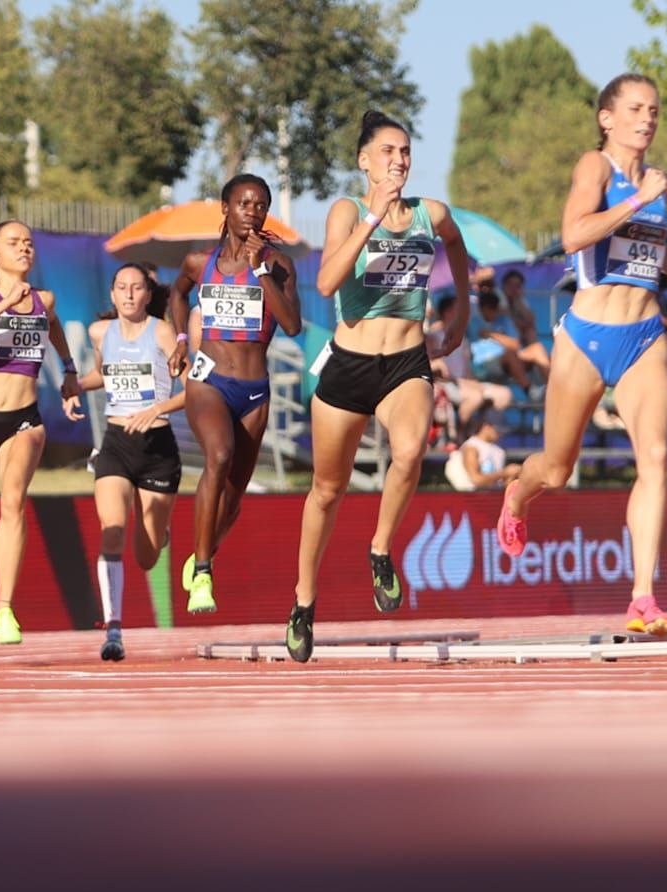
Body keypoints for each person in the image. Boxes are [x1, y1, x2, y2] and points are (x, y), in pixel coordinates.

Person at [497, 73, 667, 638]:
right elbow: (573, 235)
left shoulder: (657, 182)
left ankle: (643, 596)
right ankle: (519, 494)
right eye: (636, 109)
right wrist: (638, 199)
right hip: (588, 336)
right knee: (558, 470)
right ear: (607, 118)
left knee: (657, 460)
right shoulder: (596, 168)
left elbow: (652, 245)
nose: (648, 119)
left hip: (643, 336)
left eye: (655, 111)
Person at [287, 110, 472, 662]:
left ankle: (380, 549)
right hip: (349, 364)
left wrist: (461, 309)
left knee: (412, 451)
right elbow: (324, 282)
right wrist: (370, 218)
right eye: (388, 151)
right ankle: (303, 601)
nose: (399, 161)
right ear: (365, 161)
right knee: (327, 490)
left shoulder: (428, 214)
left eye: (406, 152)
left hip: (405, 362)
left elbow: (457, 246)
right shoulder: (346, 210)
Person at [168, 174, 302, 615]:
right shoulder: (196, 263)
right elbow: (177, 293)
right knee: (218, 457)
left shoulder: (278, 263)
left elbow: (293, 324)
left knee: (234, 500)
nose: (253, 211)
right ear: (225, 209)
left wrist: (260, 269)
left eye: (261, 205)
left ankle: (203, 551)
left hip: (254, 390)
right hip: (209, 382)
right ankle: (203, 572)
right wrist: (181, 341)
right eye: (244, 203)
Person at [0, 220, 82, 644]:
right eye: (13, 242)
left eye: (28, 243)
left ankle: (5, 609)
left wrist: (70, 370)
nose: (24, 248)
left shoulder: (44, 299)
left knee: (12, 503)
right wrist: (3, 304)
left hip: (22, 421)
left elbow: (54, 325)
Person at [67, 263, 184, 661]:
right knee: (112, 530)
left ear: (149, 295)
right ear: (113, 295)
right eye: (122, 288)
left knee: (146, 557)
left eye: (137, 288)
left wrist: (159, 409)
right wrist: (75, 386)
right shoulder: (101, 333)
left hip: (157, 449)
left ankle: (160, 531)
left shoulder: (163, 332)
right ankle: (113, 628)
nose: (130, 294)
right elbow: (105, 374)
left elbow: (195, 386)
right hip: (115, 444)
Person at [428, 293, 511, 432]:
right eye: (457, 309)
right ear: (448, 312)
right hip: (446, 384)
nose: (463, 313)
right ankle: (459, 436)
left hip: (463, 383)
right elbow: (439, 370)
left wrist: (472, 382)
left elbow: (466, 369)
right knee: (475, 397)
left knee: (504, 395)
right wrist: (466, 383)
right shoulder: (433, 336)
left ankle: (478, 432)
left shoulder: (462, 338)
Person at [444, 407, 520, 491]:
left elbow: (500, 483)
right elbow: (476, 479)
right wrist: (505, 473)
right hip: (475, 498)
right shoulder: (472, 447)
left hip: (495, 497)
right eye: (498, 430)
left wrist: (512, 475)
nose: (500, 434)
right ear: (486, 426)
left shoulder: (499, 450)